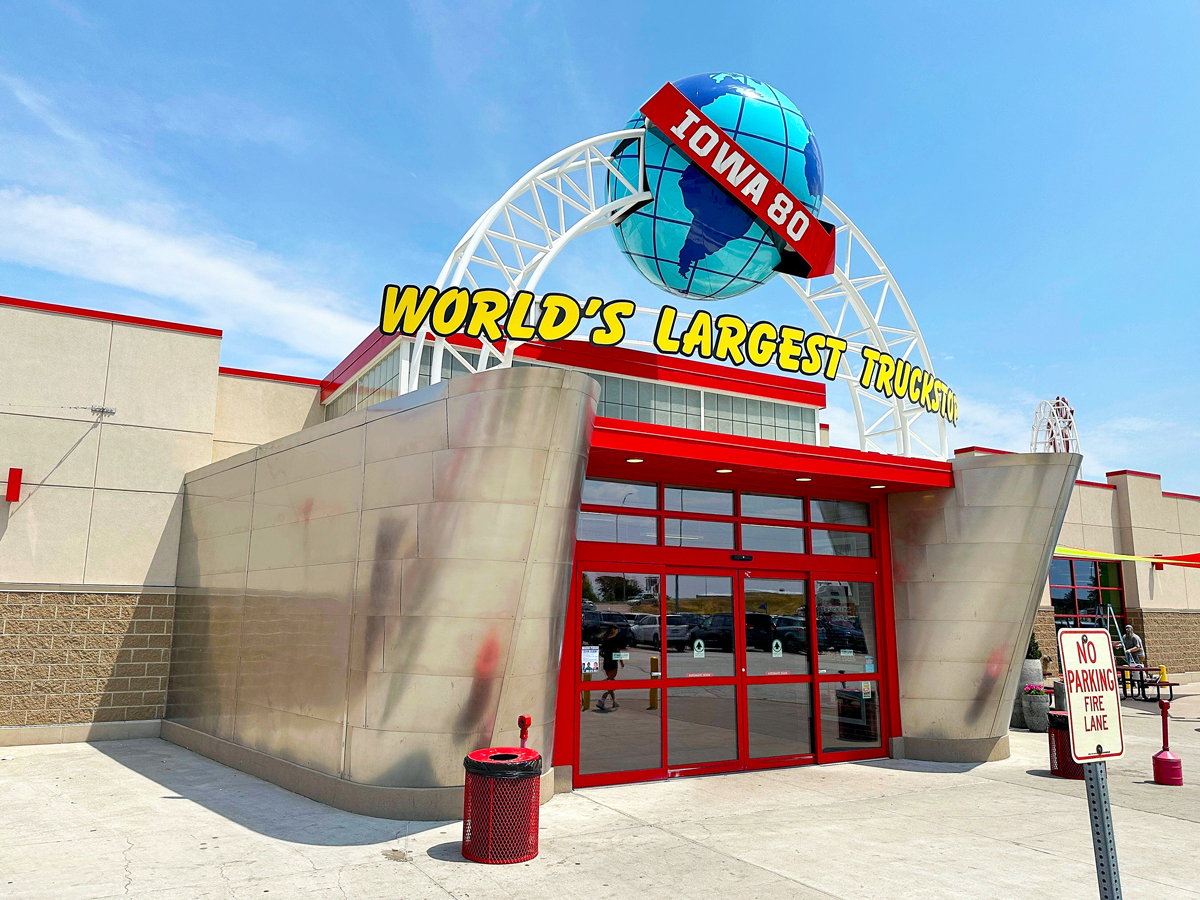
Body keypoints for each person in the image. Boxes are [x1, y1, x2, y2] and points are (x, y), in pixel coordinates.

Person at [598, 625, 625, 711]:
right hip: (613, 662)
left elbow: (601, 652)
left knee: (611, 681)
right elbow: (618, 651)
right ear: (614, 630)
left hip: (606, 662)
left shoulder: (604, 639)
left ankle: (614, 701)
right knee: (611, 682)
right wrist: (621, 661)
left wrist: (605, 655)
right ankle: (602, 700)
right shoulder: (615, 639)